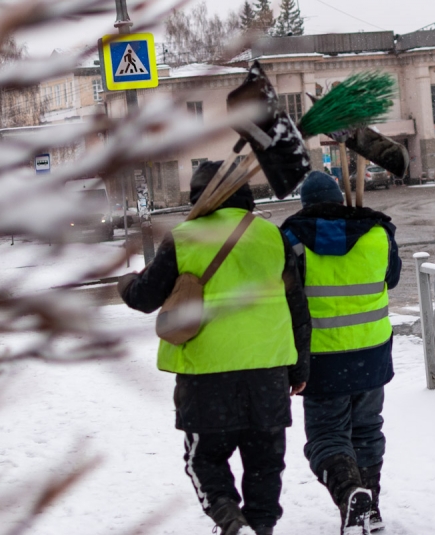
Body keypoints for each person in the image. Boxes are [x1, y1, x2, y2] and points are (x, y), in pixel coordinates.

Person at [117, 161, 311, 535]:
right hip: (267, 373)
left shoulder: (184, 237)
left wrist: (127, 282)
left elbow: (145, 298)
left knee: (204, 459)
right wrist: (300, 367)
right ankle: (262, 527)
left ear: (198, 195)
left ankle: (229, 519)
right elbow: (297, 307)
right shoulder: (273, 237)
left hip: (206, 377)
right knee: (265, 463)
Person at [280, 171, 401, 535]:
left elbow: (284, 297)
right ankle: (371, 506)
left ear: (305, 205)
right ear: (341, 199)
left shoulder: (292, 240)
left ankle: (351, 493)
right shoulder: (378, 233)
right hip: (372, 353)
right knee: (366, 432)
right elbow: (391, 278)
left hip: (322, 360)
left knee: (326, 437)